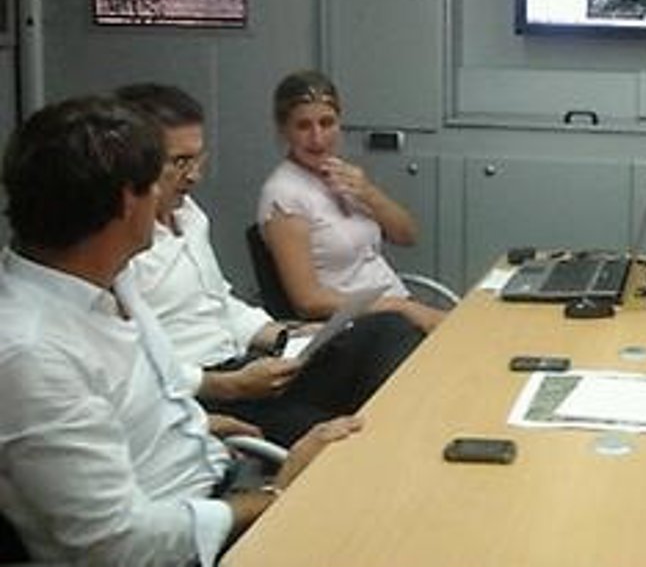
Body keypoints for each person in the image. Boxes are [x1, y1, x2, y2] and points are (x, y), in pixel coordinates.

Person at [0, 96, 361, 566]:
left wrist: (190, 425)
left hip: (217, 478)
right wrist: (279, 493)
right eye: (157, 181)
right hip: (187, 543)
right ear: (127, 202)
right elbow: (121, 546)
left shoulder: (106, 275)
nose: (170, 192)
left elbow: (130, 394)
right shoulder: (31, 353)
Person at [117, 83, 424, 446]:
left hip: (245, 364)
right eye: (180, 162)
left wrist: (284, 335)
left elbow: (220, 301)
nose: (195, 175)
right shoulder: (120, 246)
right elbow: (130, 364)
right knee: (342, 436)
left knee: (388, 329)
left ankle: (409, 432)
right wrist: (228, 385)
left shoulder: (190, 215)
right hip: (204, 389)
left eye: (198, 159)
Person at [258, 70, 444, 330]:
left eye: (327, 123)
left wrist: (368, 192)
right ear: (284, 131)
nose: (317, 138)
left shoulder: (340, 173)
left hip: (395, 307)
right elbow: (308, 302)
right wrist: (400, 307)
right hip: (356, 325)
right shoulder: (284, 194)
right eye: (303, 126)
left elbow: (407, 235)